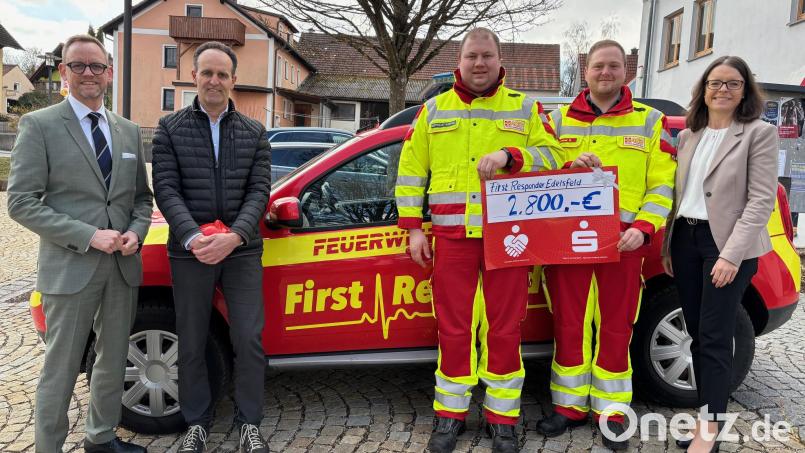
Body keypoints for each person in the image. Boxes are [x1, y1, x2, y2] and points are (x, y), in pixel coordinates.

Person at [395, 27, 564, 453]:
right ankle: (449, 417)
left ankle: (502, 419)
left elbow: (555, 155)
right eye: (472, 56)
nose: (479, 63)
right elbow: (411, 172)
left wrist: (512, 156)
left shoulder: (526, 108)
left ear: (499, 58)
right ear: (460, 59)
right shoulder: (433, 111)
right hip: (451, 238)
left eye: (487, 56)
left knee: (505, 329)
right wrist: (414, 228)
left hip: (507, 239)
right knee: (453, 328)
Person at [7, 34, 152, 453]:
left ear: (109, 72)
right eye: (78, 65)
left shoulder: (125, 130)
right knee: (61, 367)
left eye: (97, 66)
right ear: (63, 71)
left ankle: (101, 438)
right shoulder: (40, 125)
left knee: (111, 361)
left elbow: (141, 199)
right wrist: (89, 235)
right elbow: (20, 203)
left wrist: (135, 232)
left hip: (121, 269)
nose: (89, 73)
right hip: (70, 269)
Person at [536, 40, 677, 450]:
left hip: (625, 240)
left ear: (626, 71)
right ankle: (568, 407)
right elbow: (535, 166)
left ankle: (613, 411)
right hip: (568, 242)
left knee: (617, 327)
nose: (606, 73)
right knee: (568, 322)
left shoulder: (650, 122)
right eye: (598, 66)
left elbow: (662, 183)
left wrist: (646, 227)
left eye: (614, 66)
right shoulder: (556, 120)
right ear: (585, 70)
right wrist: (566, 164)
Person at [151, 41, 271, 453]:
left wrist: (234, 236)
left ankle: (249, 422)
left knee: (249, 337)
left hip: (241, 250)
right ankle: (196, 423)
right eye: (207, 72)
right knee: (192, 336)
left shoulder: (255, 132)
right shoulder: (169, 128)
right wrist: (194, 237)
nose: (215, 80)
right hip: (190, 250)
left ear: (233, 80)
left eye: (222, 74)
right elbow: (165, 189)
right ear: (195, 77)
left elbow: (260, 192)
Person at [662, 56, 777, 453]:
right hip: (687, 241)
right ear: (703, 89)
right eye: (715, 82)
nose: (722, 90)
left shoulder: (759, 134)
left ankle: (709, 432)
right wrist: (668, 246)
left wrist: (730, 256)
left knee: (714, 337)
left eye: (732, 83)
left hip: (726, 247)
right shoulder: (689, 135)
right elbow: (679, 197)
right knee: (696, 334)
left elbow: (761, 202)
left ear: (745, 90)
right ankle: (702, 418)